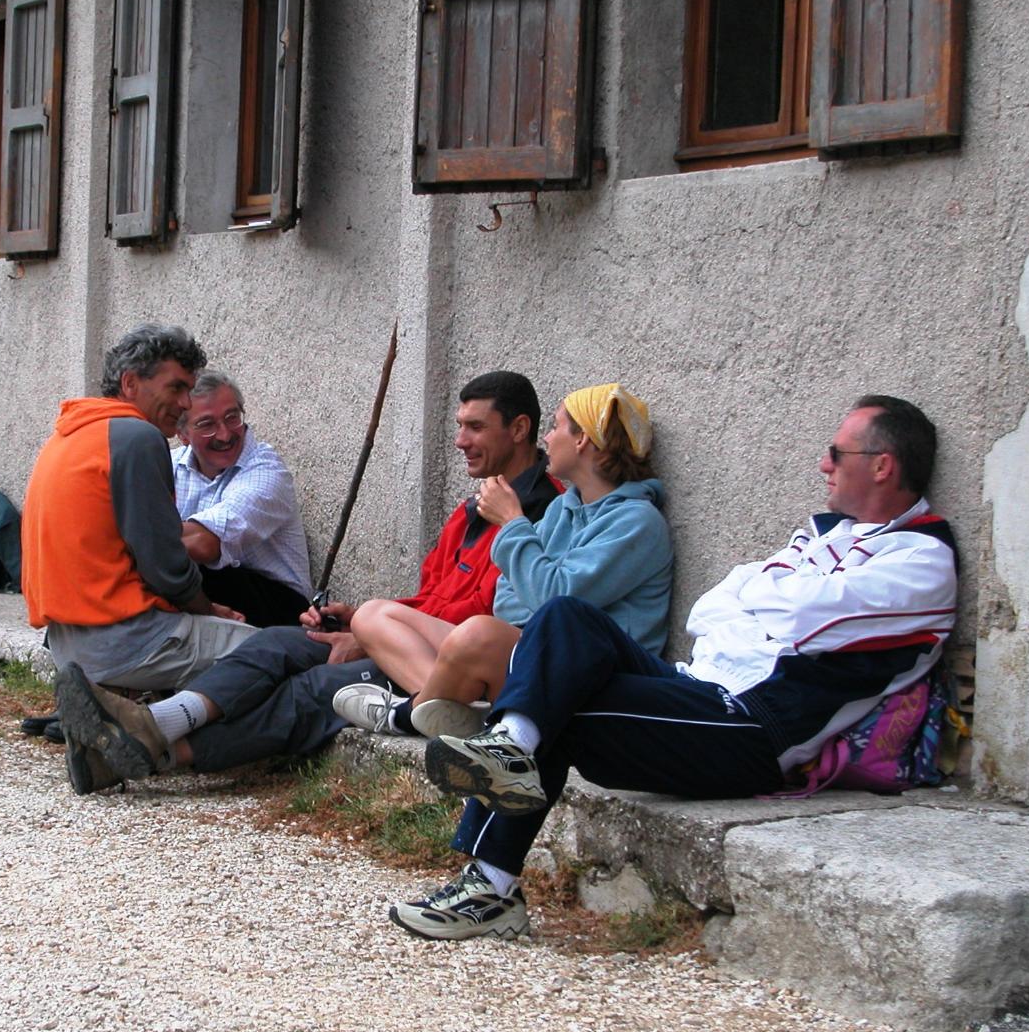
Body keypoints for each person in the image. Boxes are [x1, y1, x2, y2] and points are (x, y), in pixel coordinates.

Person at [390, 395, 958, 941]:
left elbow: (804, 621)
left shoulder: (921, 559)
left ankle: (490, 886)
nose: (822, 464)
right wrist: (772, 598)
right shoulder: (820, 537)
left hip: (754, 727)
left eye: (837, 454)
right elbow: (710, 608)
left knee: (558, 700)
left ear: (882, 466)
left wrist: (764, 597)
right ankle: (511, 744)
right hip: (697, 685)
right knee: (567, 616)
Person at [51, 371, 563, 786]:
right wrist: (357, 621)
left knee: (314, 689)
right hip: (403, 639)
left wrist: (371, 636)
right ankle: (153, 727)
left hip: (443, 671)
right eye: (459, 425)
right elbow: (432, 596)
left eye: (474, 427)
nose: (459, 440)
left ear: (517, 429)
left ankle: (159, 748)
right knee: (275, 643)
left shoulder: (543, 511)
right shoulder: (474, 508)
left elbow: (490, 620)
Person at [334, 383, 672, 741]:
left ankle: (409, 713)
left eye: (556, 426)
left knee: (479, 632)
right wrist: (525, 595)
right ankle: (459, 711)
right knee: (372, 614)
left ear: (582, 440)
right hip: (527, 656)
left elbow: (557, 603)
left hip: (588, 678)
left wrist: (513, 524)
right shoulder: (564, 509)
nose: (547, 436)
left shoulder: (637, 523)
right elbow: (506, 596)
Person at [21, 323, 256, 794]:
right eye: (176, 387)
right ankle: (153, 743)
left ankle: (118, 723)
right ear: (131, 383)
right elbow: (166, 564)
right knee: (265, 654)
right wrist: (208, 611)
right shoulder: (135, 438)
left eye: (189, 389)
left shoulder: (71, 434)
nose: (186, 404)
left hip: (68, 644)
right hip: (122, 638)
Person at [172, 369, 312, 628]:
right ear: (182, 434)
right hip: (211, 594)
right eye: (207, 425)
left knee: (184, 563)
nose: (225, 435)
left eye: (231, 418)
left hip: (280, 611)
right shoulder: (169, 465)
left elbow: (203, 543)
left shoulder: (266, 471)